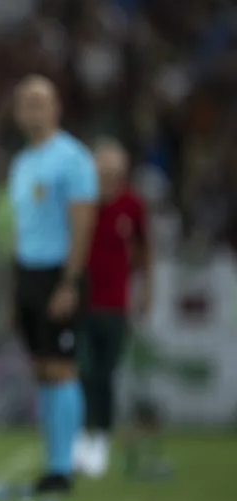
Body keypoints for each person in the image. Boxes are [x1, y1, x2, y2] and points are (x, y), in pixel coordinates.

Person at [7, 75, 98, 495]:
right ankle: (54, 460)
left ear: (56, 107)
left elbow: (83, 223)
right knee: (44, 368)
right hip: (28, 273)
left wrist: (71, 281)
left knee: (61, 367)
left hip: (59, 271)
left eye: (40, 101)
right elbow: (21, 229)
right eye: (26, 102)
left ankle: (64, 465)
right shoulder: (22, 162)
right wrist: (15, 288)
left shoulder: (72, 158)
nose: (32, 109)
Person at [73, 137, 152, 478]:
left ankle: (101, 439)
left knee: (105, 373)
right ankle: (82, 434)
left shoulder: (133, 205)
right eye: (100, 170)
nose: (106, 176)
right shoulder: (82, 203)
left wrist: (147, 289)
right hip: (81, 300)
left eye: (111, 171)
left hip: (115, 304)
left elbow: (145, 251)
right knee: (82, 370)